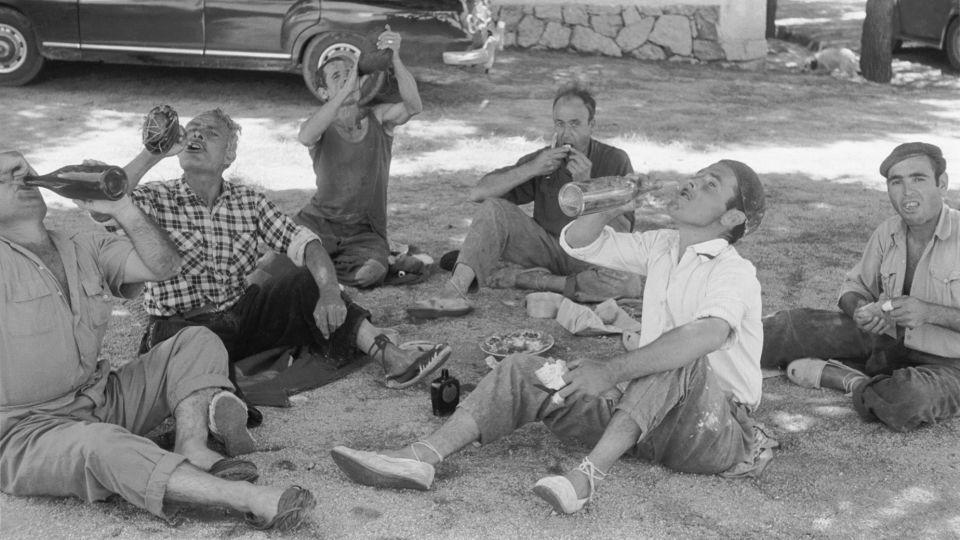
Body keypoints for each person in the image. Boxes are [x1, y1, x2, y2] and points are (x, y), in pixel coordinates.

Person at [331, 160, 776, 514]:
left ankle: (585, 479)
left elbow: (707, 335)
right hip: (644, 422)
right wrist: (609, 203)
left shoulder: (735, 271)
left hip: (712, 431)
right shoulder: (662, 244)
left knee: (681, 349)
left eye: (710, 185)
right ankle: (422, 456)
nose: (692, 184)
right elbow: (579, 245)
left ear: (732, 218)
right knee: (529, 370)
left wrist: (610, 371)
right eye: (696, 176)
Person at [0, 150, 314, 531]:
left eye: (24, 168)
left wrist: (125, 209)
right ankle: (248, 500)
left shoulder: (80, 242)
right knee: (102, 446)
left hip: (100, 397)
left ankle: (192, 445)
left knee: (196, 340)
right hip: (24, 432)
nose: (21, 175)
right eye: (3, 175)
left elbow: (162, 266)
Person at [119, 108, 451, 427]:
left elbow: (307, 243)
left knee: (304, 282)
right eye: (191, 132)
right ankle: (221, 413)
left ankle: (392, 359)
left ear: (229, 157)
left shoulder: (249, 201)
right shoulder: (154, 197)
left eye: (210, 133)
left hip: (239, 319)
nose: (196, 137)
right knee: (176, 341)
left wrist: (329, 291)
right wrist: (155, 151)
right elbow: (108, 204)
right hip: (181, 327)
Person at [763, 142, 960, 432]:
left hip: (949, 364)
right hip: (885, 341)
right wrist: (860, 310)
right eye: (897, 182)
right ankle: (701, 357)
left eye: (918, 179)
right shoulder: (888, 231)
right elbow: (852, 289)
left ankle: (848, 379)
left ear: (941, 184)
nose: (907, 192)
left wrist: (929, 312)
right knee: (790, 325)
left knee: (907, 399)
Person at [408, 84, 642, 319]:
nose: (566, 133)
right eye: (559, 124)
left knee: (629, 282)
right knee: (493, 208)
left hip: (590, 254)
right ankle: (453, 292)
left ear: (592, 124)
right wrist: (532, 168)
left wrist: (587, 187)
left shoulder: (615, 160)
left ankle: (531, 279)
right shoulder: (545, 159)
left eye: (575, 124)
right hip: (546, 247)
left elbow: (623, 230)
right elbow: (478, 194)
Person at [294, 26, 423, 288]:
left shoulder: (378, 117)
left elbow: (414, 106)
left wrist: (395, 57)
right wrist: (345, 91)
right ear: (323, 92)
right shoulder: (320, 124)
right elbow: (306, 136)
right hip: (318, 221)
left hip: (365, 231)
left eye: (351, 74)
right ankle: (320, 267)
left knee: (370, 274)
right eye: (337, 77)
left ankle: (323, 270)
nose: (346, 80)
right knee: (277, 262)